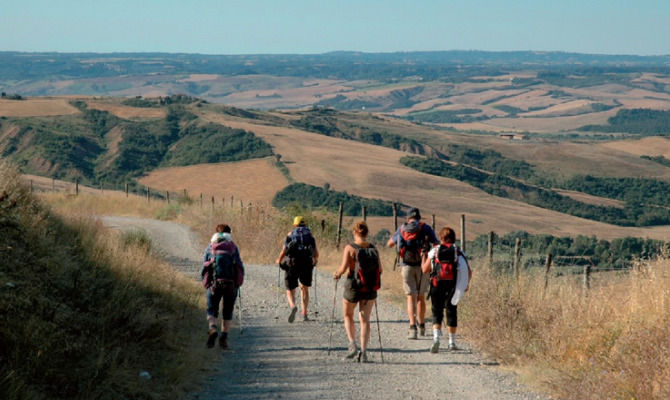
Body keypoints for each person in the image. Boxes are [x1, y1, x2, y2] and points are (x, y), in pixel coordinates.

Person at [333, 221, 382, 363]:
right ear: (366, 233)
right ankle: (364, 352)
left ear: (355, 232)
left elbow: (343, 268)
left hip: (353, 286)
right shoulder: (373, 248)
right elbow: (380, 269)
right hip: (370, 287)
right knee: (365, 319)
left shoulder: (350, 248)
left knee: (348, 315)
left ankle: (352, 344)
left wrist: (337, 274)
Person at [386, 207, 438, 339]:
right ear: (419, 217)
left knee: (411, 297)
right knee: (421, 297)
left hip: (407, 265)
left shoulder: (402, 228)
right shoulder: (425, 228)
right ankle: (421, 326)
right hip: (423, 265)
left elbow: (390, 244)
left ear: (408, 218)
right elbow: (436, 243)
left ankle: (412, 327)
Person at [421, 227, 472, 353]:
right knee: (451, 311)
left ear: (441, 238)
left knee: (437, 311)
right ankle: (451, 342)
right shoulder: (459, 252)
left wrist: (423, 256)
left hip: (436, 284)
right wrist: (465, 284)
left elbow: (425, 270)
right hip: (453, 286)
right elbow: (468, 271)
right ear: (454, 238)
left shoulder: (434, 251)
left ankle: (436, 339)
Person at [201, 224, 244, 349]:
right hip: (231, 285)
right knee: (228, 310)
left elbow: (204, 267)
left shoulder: (210, 247)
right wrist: (238, 283)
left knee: (212, 309)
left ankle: (213, 328)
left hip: (214, 284)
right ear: (229, 234)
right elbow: (240, 267)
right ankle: (224, 337)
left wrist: (205, 283)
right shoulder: (233, 248)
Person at [276, 216, 319, 323]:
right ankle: (304, 313)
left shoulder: (290, 235)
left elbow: (284, 250)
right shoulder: (310, 235)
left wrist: (279, 260)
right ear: (305, 224)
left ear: (294, 225)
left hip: (292, 263)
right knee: (304, 288)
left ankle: (293, 306)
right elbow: (316, 253)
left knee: (290, 289)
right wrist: (315, 261)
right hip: (306, 264)